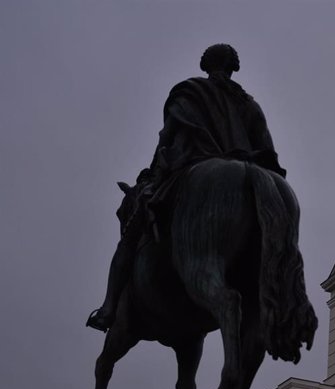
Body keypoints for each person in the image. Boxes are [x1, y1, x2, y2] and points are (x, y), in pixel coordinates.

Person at [86, 43, 285, 332]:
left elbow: (167, 137)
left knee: (129, 235)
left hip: (190, 167)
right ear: (233, 67)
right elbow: (267, 150)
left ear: (206, 65)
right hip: (252, 168)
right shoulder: (249, 104)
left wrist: (151, 175)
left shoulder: (188, 92)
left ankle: (107, 309)